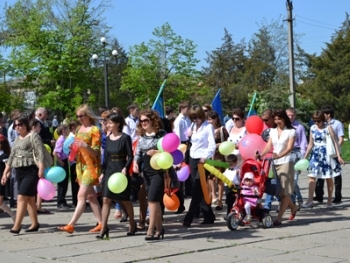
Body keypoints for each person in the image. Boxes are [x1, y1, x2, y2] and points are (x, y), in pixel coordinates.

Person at [57, 104, 102, 234]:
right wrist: (73, 149)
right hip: (80, 166)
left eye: (81, 116)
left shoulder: (95, 130)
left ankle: (71, 225)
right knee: (91, 197)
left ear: (88, 115)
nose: (79, 118)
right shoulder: (78, 130)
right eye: (78, 116)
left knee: (81, 195)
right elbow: (77, 150)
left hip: (91, 166)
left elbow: (95, 153)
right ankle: (101, 223)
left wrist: (84, 146)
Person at [1, 115, 45, 234]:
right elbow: (12, 156)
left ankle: (17, 225)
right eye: (16, 125)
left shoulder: (34, 136)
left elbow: (40, 153)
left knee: (21, 197)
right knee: (30, 198)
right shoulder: (17, 139)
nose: (18, 127)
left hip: (31, 170)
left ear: (26, 125)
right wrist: (6, 172)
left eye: (20, 125)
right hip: (19, 170)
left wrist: (41, 168)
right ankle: (35, 223)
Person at [97, 113, 136, 239]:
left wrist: (126, 167)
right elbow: (106, 158)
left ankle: (132, 223)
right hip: (109, 170)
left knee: (124, 200)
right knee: (106, 199)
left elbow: (130, 156)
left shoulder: (125, 138)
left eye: (110, 122)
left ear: (118, 124)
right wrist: (103, 172)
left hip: (121, 170)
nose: (108, 124)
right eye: (107, 122)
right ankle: (103, 228)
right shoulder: (107, 138)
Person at [258, 109, 299, 226]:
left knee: (285, 192)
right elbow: (268, 146)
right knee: (278, 191)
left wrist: (279, 155)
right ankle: (294, 207)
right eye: (275, 119)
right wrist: (260, 155)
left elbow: (290, 148)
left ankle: (279, 218)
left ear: (284, 119)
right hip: (274, 163)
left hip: (286, 162)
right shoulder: (272, 131)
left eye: (279, 119)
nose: (277, 121)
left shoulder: (291, 131)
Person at [133, 109, 166, 241]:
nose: (143, 123)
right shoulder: (141, 136)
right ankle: (160, 229)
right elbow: (138, 152)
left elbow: (169, 150)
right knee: (155, 201)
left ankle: (151, 229)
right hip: (146, 171)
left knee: (151, 200)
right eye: (141, 121)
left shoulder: (161, 134)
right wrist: (135, 163)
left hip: (158, 170)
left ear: (153, 120)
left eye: (146, 120)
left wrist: (157, 152)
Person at [302, 111, 344, 208]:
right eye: (314, 121)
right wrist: (305, 157)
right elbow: (310, 144)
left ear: (323, 120)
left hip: (327, 154)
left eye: (318, 121)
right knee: (312, 176)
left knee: (329, 177)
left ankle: (329, 200)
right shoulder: (312, 128)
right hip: (315, 155)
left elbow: (335, 143)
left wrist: (339, 156)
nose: (316, 123)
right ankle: (309, 200)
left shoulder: (328, 128)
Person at [183, 105, 216, 227]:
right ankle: (209, 215)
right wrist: (189, 134)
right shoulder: (192, 126)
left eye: (196, 117)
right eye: (192, 118)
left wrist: (206, 156)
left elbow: (212, 145)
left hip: (203, 160)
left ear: (201, 115)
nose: (195, 120)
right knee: (199, 188)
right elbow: (190, 140)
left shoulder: (208, 127)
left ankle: (189, 217)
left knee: (197, 187)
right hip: (193, 157)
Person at [314, 106, 345, 204]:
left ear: (328, 114)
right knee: (320, 173)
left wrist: (335, 150)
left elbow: (340, 139)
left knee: (336, 174)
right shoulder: (320, 124)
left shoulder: (337, 124)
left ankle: (337, 196)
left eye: (323, 114)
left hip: (333, 153)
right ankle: (319, 195)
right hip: (322, 153)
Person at [207, 110, 229, 210]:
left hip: (219, 157)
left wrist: (216, 145)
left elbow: (226, 143)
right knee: (210, 177)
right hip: (210, 157)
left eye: (210, 119)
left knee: (220, 180)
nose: (209, 121)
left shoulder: (221, 129)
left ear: (216, 119)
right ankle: (213, 195)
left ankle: (220, 201)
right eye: (208, 119)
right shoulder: (207, 130)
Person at [286, 107, 307, 206]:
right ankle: (296, 197)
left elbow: (303, 142)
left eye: (292, 115)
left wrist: (303, 156)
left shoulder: (299, 127)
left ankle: (295, 199)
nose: (290, 117)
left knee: (294, 180)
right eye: (288, 115)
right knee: (287, 180)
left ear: (295, 116)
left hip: (296, 153)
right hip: (285, 154)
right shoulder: (283, 126)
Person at [29, 119, 50, 214]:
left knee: (34, 187)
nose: (40, 128)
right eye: (38, 126)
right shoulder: (36, 136)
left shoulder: (26, 136)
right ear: (33, 127)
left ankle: (35, 206)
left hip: (31, 164)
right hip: (37, 164)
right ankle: (38, 206)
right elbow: (39, 153)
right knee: (40, 186)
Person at [173, 101, 191, 212]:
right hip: (181, 146)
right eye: (187, 108)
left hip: (188, 144)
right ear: (182, 108)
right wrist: (181, 152)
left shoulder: (188, 119)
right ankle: (180, 200)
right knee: (180, 172)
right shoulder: (179, 121)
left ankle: (187, 190)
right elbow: (179, 137)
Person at [53, 124, 71, 209]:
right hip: (61, 162)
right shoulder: (61, 139)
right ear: (63, 130)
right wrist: (60, 161)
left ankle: (63, 200)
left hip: (64, 160)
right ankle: (60, 202)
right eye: (67, 129)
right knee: (62, 182)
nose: (68, 131)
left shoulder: (64, 139)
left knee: (65, 182)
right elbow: (55, 152)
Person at [0, 135, 15, 221]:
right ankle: (13, 215)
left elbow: (8, 168)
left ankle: (13, 215)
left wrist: (6, 176)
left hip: (1, 179)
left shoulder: (4, 155)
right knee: (1, 203)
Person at [223, 154, 240, 220]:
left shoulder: (237, 170)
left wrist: (237, 174)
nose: (230, 165)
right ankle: (228, 214)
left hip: (235, 187)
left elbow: (238, 179)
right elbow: (224, 176)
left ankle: (236, 214)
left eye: (231, 164)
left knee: (235, 201)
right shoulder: (227, 170)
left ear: (235, 163)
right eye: (229, 164)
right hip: (227, 187)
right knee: (229, 202)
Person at [68, 121, 80, 207]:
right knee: (75, 183)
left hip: (76, 161)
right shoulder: (71, 137)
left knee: (77, 182)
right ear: (73, 127)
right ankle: (75, 201)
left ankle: (78, 200)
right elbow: (71, 151)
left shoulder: (74, 137)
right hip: (74, 162)